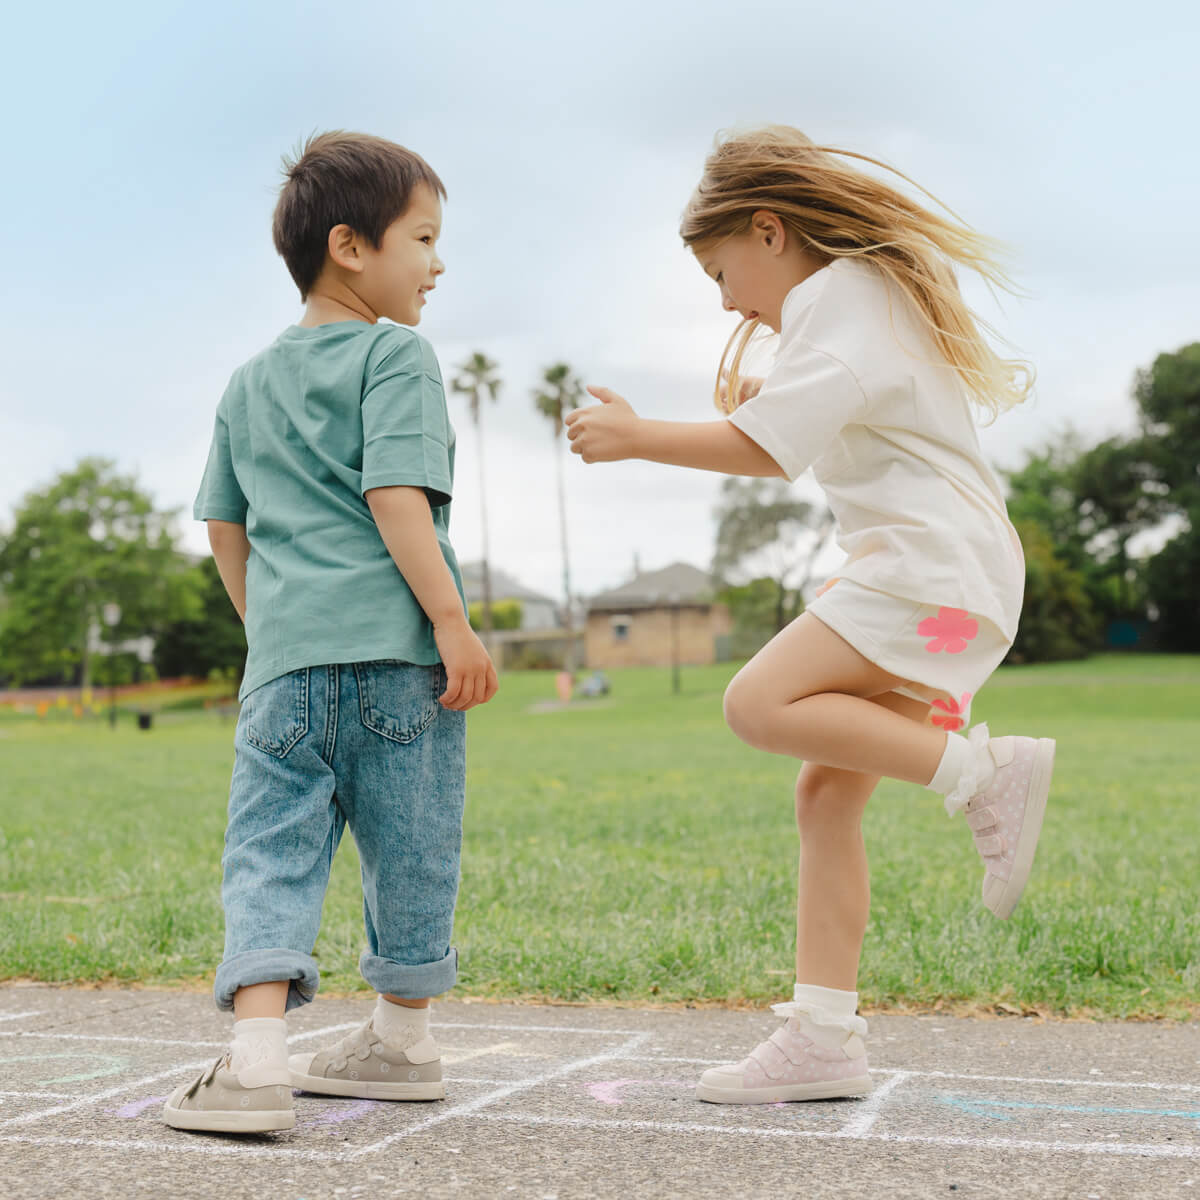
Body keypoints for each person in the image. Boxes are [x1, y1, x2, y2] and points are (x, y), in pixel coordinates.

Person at [565, 125, 1053, 1106]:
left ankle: (980, 772)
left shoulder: (839, 294)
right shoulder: (859, 304)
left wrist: (634, 437)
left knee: (756, 702)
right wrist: (768, 391)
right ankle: (825, 1039)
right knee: (826, 796)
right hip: (956, 596)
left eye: (720, 270)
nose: (727, 298)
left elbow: (770, 448)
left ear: (770, 230)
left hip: (932, 578)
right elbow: (835, 417)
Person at [163, 131, 498, 1134]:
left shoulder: (246, 381)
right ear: (351, 247)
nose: (438, 264)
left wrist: (270, 627)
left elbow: (226, 527)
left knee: (269, 852)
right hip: (400, 663)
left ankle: (258, 1062)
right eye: (424, 239)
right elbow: (395, 493)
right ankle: (401, 1043)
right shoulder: (397, 354)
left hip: (284, 669)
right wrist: (454, 621)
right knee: (412, 845)